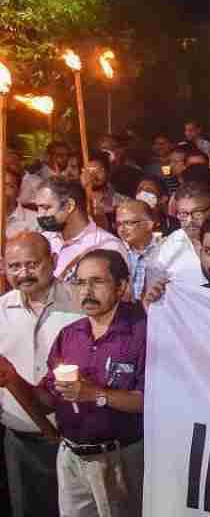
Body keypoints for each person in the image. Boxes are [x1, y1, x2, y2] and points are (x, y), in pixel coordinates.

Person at [1, 249, 145, 517]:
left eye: (97, 281)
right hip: (71, 458)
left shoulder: (143, 332)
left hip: (119, 459)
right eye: (79, 282)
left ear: (121, 285)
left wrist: (95, 394)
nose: (86, 291)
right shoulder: (71, 335)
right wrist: (12, 378)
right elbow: (46, 400)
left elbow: (150, 402)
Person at [0, 232, 82, 517]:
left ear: (54, 261)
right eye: (14, 266)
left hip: (75, 445)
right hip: (19, 442)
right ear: (3, 267)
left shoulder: (82, 303)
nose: (24, 274)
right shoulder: (1, 309)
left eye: (32, 265)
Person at [33, 178, 128, 281]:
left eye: (46, 208)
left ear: (70, 206)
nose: (40, 215)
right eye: (38, 208)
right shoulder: (43, 240)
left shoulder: (108, 246)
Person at [144, 182, 210, 287]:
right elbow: (153, 294)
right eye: (183, 214)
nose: (190, 220)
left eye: (197, 213)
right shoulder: (165, 249)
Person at [115, 199, 162, 301]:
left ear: (149, 224)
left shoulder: (166, 249)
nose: (122, 229)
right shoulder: (116, 251)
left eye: (128, 223)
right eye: (118, 224)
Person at [81, 150, 127, 232]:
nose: (93, 176)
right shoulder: (74, 201)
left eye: (99, 171)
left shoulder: (123, 202)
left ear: (108, 172)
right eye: (88, 171)